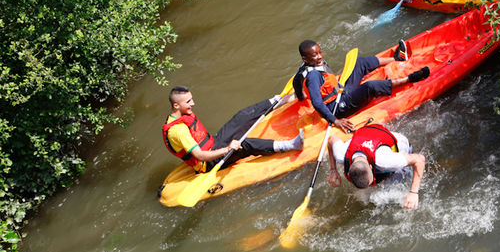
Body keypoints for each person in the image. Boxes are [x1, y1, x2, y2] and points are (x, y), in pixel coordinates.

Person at [293, 40, 429, 134]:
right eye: (314, 55)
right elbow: (317, 103)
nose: (319, 57)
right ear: (305, 59)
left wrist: (300, 97)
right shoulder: (313, 76)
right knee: (369, 86)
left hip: (340, 93)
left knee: (359, 63)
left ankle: (398, 59)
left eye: (320, 52)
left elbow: (296, 82)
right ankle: (409, 79)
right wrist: (335, 121)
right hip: (337, 108)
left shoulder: (305, 67)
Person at [162, 86, 304, 172]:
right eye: (188, 102)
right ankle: (291, 145)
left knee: (240, 117)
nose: (192, 103)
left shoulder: (182, 112)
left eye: (191, 99)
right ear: (176, 106)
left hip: (213, 142)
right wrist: (227, 149)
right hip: (207, 163)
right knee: (245, 144)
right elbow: (200, 156)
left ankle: (279, 100)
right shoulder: (178, 131)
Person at [326, 123, 425, 209]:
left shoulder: (385, 161)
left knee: (392, 190)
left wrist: (413, 192)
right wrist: (333, 170)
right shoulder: (341, 155)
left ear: (371, 167)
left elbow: (419, 159)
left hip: (397, 142)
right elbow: (331, 139)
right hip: (371, 137)